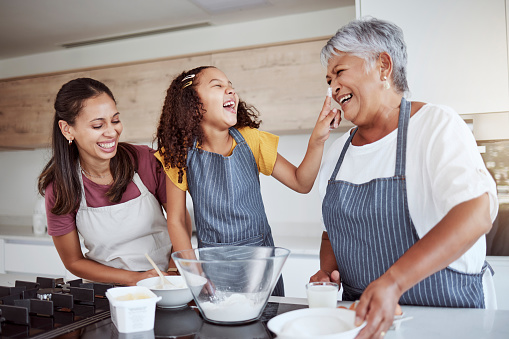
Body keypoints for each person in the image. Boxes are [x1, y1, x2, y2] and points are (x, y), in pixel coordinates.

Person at [310, 17, 499, 338]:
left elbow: (476, 213)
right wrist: (327, 272)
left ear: (383, 66)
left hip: (447, 320)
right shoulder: (336, 153)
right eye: (329, 79)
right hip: (364, 323)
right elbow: (333, 234)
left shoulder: (435, 125)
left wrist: (393, 282)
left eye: (340, 72)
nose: (333, 87)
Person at [155, 66, 339, 296]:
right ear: (192, 103)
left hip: (261, 266)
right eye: (218, 85)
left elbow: (301, 182)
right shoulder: (177, 152)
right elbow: (176, 220)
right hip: (213, 270)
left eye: (230, 85)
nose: (230, 90)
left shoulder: (251, 140)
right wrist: (194, 274)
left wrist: (318, 139)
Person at [38, 78, 191, 286]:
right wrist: (136, 279)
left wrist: (174, 270)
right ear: (67, 129)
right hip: (105, 292)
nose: (111, 132)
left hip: (165, 283)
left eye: (115, 120)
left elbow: (180, 219)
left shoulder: (146, 160)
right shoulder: (59, 188)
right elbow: (73, 261)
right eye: (98, 125)